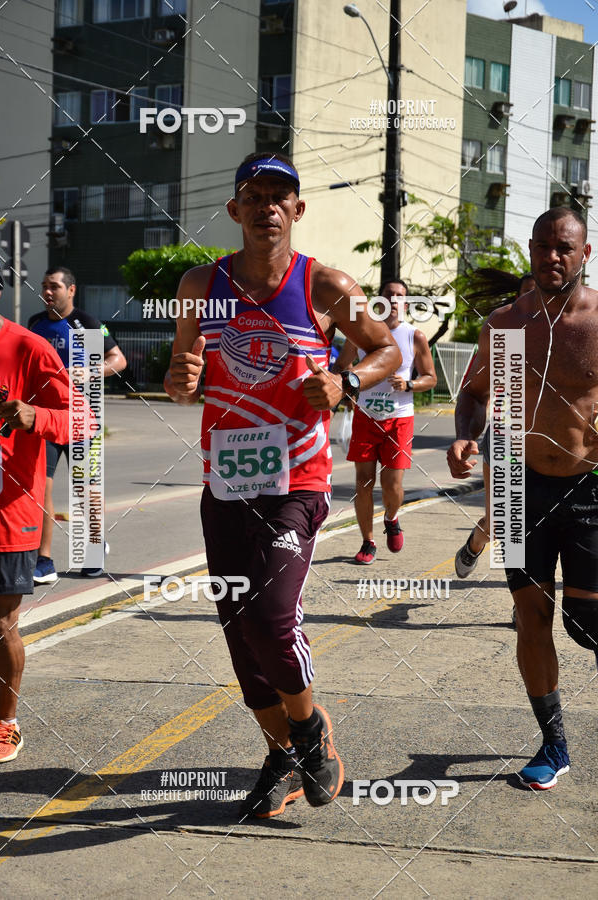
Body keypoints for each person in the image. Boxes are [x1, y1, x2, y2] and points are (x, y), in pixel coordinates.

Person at [164, 152, 401, 818]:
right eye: (255, 194)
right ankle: (283, 757)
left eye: (281, 196)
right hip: (225, 484)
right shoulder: (197, 285)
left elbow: (389, 351)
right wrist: (181, 385)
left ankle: (311, 734)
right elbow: (186, 376)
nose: (269, 206)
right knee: (242, 638)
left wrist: (345, 382)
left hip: (296, 479)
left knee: (272, 619)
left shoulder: (326, 286)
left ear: (296, 211)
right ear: (236, 210)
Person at [447, 208, 598, 791]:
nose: (551, 257)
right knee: (530, 617)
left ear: (584, 254)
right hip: (514, 478)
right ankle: (554, 745)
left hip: (591, 482)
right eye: (542, 246)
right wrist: (466, 432)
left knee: (588, 620)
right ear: (530, 251)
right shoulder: (507, 324)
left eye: (564, 248)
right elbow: (474, 395)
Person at [0, 263, 72, 762]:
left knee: (0, 621)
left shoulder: (28, 347)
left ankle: (5, 722)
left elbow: (82, 417)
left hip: (7, 511)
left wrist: (34, 416)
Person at [28, 267, 127, 580]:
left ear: (71, 290)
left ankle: (95, 548)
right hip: (46, 419)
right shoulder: (35, 324)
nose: (47, 292)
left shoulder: (86, 324)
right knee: (41, 487)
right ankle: (43, 560)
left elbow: (119, 360)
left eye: (54, 286)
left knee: (85, 488)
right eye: (44, 286)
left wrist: (92, 371)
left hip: (83, 418)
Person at [333, 280, 437, 564]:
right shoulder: (361, 334)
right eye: (388, 295)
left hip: (399, 419)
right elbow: (342, 367)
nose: (394, 300)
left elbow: (431, 378)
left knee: (391, 484)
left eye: (400, 296)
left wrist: (409, 384)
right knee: (363, 481)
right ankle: (367, 541)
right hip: (366, 416)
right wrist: (350, 379)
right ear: (378, 300)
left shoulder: (414, 336)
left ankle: (391, 518)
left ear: (406, 303)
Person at [454, 271, 535, 581]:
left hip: (548, 444)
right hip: (504, 437)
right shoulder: (502, 335)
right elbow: (473, 392)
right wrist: (465, 437)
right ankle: (475, 545)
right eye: (526, 295)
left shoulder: (564, 335)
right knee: (503, 521)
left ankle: (523, 601)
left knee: (532, 524)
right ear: (516, 301)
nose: (534, 302)